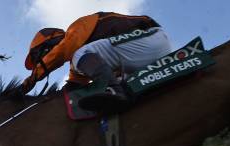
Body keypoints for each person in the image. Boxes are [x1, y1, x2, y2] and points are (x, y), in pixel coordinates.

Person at [21, 12, 172, 108]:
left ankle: (115, 91)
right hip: (140, 56)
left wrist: (31, 80)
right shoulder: (84, 62)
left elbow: (63, 50)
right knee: (102, 77)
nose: (42, 60)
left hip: (151, 37)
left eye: (40, 57)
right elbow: (73, 87)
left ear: (50, 43)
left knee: (80, 56)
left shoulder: (77, 29)